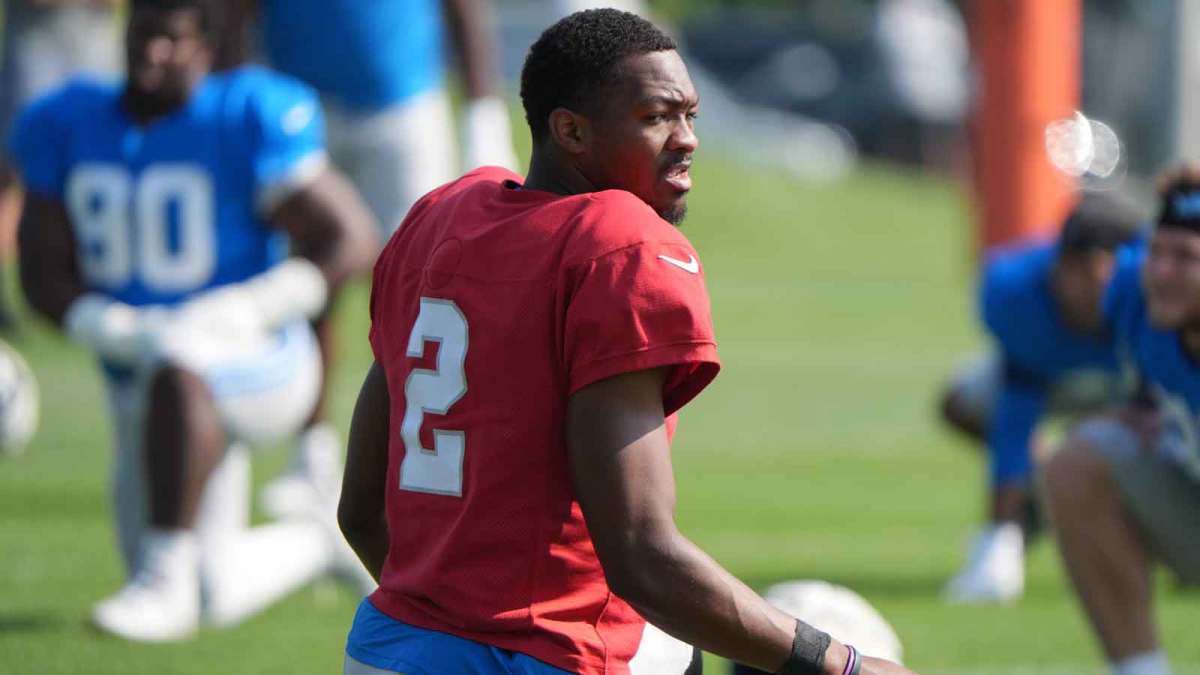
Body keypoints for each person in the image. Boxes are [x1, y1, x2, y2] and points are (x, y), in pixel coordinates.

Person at [337, 9, 917, 675]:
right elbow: (641, 554)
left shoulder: (437, 216)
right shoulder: (618, 241)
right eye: (657, 117)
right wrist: (841, 663)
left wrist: (452, 614)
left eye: (691, 116)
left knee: (674, 646)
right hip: (536, 657)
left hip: (388, 650)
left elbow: (361, 510)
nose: (687, 139)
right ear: (571, 130)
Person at [9, 0, 377, 641]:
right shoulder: (67, 119)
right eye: (143, 36)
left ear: (207, 50)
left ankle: (161, 579)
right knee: (213, 594)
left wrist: (246, 308)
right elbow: (40, 272)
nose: (153, 54)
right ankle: (312, 543)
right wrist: (108, 326)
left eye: (172, 42)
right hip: (142, 373)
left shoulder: (242, 114)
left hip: (259, 358)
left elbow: (349, 238)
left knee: (182, 358)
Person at [218, 0, 518, 520]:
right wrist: (220, 103)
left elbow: (464, 8)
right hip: (296, 109)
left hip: (403, 103)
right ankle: (311, 453)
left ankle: (434, 447)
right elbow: (234, 14)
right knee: (310, 280)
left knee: (433, 286)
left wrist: (481, 113)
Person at [939, 193, 1144, 604]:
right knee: (961, 404)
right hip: (1057, 378)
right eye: (1078, 270)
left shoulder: (1164, 292)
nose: (1087, 290)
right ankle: (1034, 501)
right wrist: (1002, 529)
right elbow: (1017, 406)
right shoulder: (1011, 290)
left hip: (1144, 385)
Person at [1044, 169, 1200, 675]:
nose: (1162, 272)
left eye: (1187, 259)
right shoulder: (1132, 293)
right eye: (1158, 251)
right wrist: (1140, 401)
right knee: (1077, 461)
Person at [0, 0, 125, 330]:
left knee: (105, 157)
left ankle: (104, 292)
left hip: (94, 41)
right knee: (12, 164)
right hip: (36, 45)